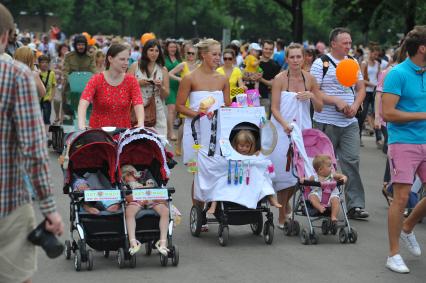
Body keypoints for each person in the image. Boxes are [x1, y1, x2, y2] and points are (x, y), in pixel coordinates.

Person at [0, 4, 64, 283]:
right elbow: (34, 151)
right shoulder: (16, 75)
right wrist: (50, 210)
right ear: (6, 36)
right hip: (8, 203)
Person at [310, 27, 368, 220]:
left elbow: (360, 89)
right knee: (325, 165)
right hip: (326, 122)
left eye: (350, 43)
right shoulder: (321, 63)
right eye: (345, 43)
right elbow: (314, 91)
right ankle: (321, 202)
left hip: (349, 121)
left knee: (351, 162)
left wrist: (354, 105)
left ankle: (356, 205)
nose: (348, 46)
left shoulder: (353, 62)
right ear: (333, 43)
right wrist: (336, 101)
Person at [382, 25, 426, 274]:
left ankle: (408, 227)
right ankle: (393, 254)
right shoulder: (397, 74)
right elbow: (388, 113)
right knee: (400, 197)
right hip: (403, 143)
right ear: (422, 48)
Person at [270, 43, 323, 229]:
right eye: (291, 57)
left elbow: (320, 107)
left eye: (298, 57)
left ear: (304, 58)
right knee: (284, 174)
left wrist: (311, 96)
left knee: (300, 174)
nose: (295, 60)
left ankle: (284, 206)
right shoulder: (279, 79)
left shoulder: (310, 78)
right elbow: (274, 108)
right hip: (282, 129)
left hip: (303, 130)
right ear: (286, 59)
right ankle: (281, 215)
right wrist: (285, 125)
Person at [176, 38, 230, 216]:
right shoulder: (189, 78)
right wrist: (199, 115)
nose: (218, 57)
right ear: (203, 55)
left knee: (216, 169)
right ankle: (198, 213)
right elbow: (180, 106)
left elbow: (228, 106)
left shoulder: (223, 79)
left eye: (219, 54)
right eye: (214, 54)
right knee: (197, 172)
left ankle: (213, 206)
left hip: (217, 133)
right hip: (195, 133)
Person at [207, 129, 281, 214]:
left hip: (249, 178)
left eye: (247, 146)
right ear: (236, 145)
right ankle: (213, 205)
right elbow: (223, 165)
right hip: (234, 177)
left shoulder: (252, 155)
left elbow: (260, 161)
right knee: (219, 184)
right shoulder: (231, 154)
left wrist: (258, 155)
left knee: (263, 182)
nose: (244, 148)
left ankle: (272, 199)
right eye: (241, 146)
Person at [78, 43, 144, 129]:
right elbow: (83, 102)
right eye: (122, 59)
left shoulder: (131, 81)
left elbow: (138, 103)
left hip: (122, 133)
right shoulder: (96, 79)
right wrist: (81, 124)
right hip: (99, 133)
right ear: (110, 59)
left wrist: (141, 122)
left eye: (128, 59)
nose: (126, 63)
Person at [121, 165, 170, 256]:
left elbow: (152, 187)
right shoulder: (126, 185)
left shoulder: (146, 175)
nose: (125, 180)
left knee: (165, 211)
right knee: (129, 211)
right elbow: (127, 197)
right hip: (136, 200)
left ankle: (163, 242)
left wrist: (144, 190)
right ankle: (133, 242)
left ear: (130, 174)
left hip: (152, 198)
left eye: (125, 178)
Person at [128, 39, 169, 137]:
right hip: (137, 108)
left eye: (156, 50)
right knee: (137, 140)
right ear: (145, 51)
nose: (154, 53)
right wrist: (138, 83)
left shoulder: (163, 69)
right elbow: (125, 87)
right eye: (151, 50)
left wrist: (160, 87)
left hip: (157, 109)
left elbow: (166, 95)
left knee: (159, 140)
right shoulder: (135, 66)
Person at [169, 44, 198, 156]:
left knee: (196, 122)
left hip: (195, 96)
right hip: (185, 96)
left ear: (196, 55)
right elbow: (169, 73)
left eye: (192, 53)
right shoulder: (183, 64)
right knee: (185, 122)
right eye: (188, 53)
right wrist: (179, 79)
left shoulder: (199, 66)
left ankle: (193, 147)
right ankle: (179, 144)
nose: (190, 55)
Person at [303, 155, 347, 226]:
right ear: (320, 169)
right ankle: (319, 207)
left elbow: (341, 176)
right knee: (312, 197)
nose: (332, 168)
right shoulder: (314, 177)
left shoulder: (332, 175)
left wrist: (344, 178)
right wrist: (303, 180)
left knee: (336, 200)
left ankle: (333, 216)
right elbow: (306, 180)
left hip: (331, 195)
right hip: (318, 194)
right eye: (329, 166)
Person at [63, 34, 96, 112]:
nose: (81, 47)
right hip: (71, 87)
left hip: (87, 87)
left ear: (86, 46)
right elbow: (65, 71)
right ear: (75, 45)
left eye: (82, 45)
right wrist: (71, 81)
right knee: (70, 108)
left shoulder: (90, 57)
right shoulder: (69, 56)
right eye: (78, 45)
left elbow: (94, 71)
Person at [359, 44, 382, 147]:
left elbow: (379, 77)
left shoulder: (377, 63)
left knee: (376, 113)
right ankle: (358, 138)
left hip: (375, 91)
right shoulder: (364, 63)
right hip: (366, 91)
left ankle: (378, 138)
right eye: (374, 54)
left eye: (377, 54)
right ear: (370, 53)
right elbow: (360, 79)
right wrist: (372, 84)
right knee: (363, 114)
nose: (376, 56)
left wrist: (378, 85)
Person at [258, 40, 281, 118]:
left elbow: (273, 83)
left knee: (265, 121)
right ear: (262, 48)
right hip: (251, 96)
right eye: (266, 48)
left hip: (265, 97)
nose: (268, 51)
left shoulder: (275, 65)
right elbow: (242, 74)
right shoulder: (254, 61)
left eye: (270, 49)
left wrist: (260, 79)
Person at [164, 39, 182, 141]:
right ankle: (171, 133)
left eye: (174, 47)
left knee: (175, 111)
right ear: (167, 48)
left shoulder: (179, 59)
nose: (173, 49)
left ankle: (168, 130)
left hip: (179, 87)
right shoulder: (164, 59)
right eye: (171, 47)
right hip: (168, 86)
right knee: (171, 109)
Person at [38, 55, 57, 138]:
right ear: (39, 64)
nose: (44, 64)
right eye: (42, 62)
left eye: (46, 62)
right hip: (37, 99)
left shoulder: (51, 73)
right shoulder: (37, 73)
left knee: (47, 117)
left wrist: (51, 97)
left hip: (47, 99)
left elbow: (53, 86)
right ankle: (38, 133)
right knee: (37, 117)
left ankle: (47, 134)